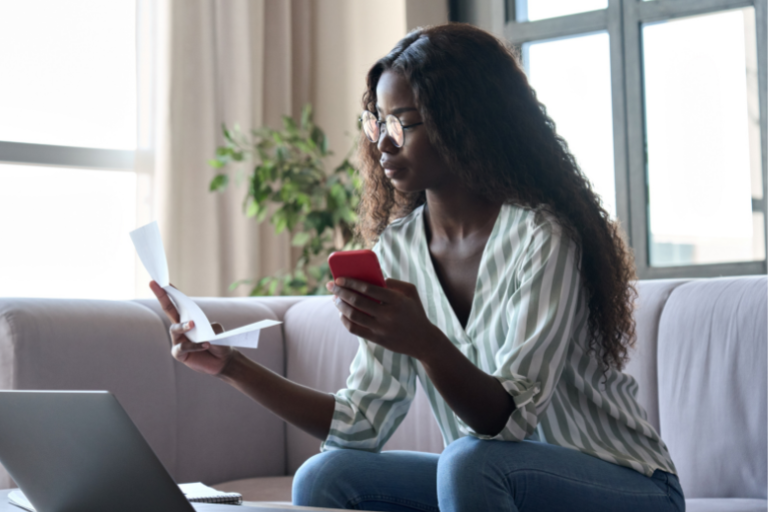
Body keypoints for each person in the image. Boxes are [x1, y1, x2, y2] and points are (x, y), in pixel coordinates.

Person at [151, 23, 685, 512]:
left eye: (402, 124)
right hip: (493, 477)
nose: (382, 141)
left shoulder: (542, 237)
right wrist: (231, 366)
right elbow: (359, 425)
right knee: (325, 475)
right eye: (377, 121)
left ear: (465, 122)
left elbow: (509, 423)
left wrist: (424, 341)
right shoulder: (400, 249)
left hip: (627, 485)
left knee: (470, 461)